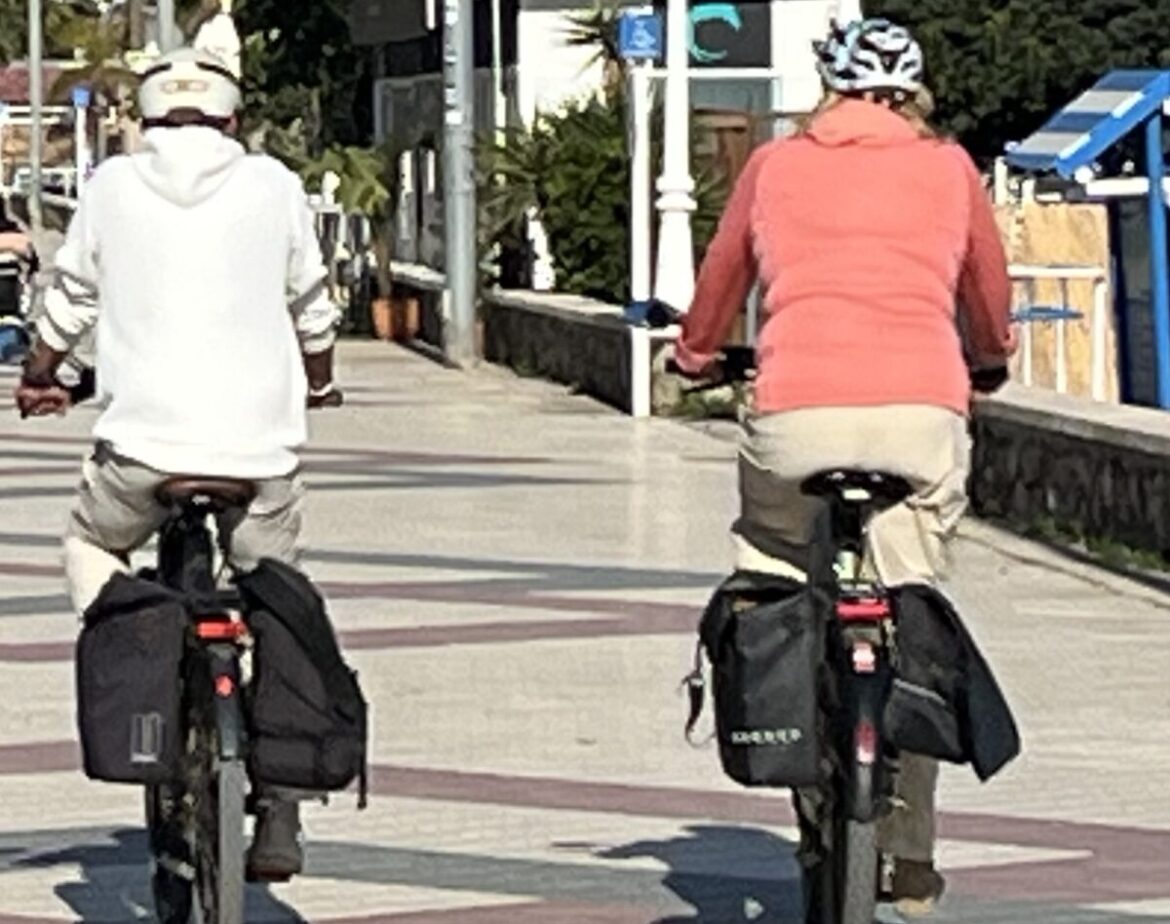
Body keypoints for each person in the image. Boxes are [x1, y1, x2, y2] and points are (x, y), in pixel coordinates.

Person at [673, 17, 1014, 916]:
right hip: (919, 418)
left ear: (829, 87)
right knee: (913, 606)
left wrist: (697, 354)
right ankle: (907, 857)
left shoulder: (776, 165)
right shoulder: (948, 167)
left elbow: (720, 282)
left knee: (777, 572)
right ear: (914, 93)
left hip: (798, 419)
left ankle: (801, 759)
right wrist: (989, 355)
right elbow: (985, 291)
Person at [13, 47, 341, 880]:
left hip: (140, 455)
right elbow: (312, 303)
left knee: (92, 545)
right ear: (233, 118)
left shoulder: (113, 187)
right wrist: (320, 378)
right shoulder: (273, 184)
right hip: (258, 456)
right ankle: (279, 804)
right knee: (276, 596)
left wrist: (43, 373)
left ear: (147, 119)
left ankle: (148, 651)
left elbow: (71, 299)